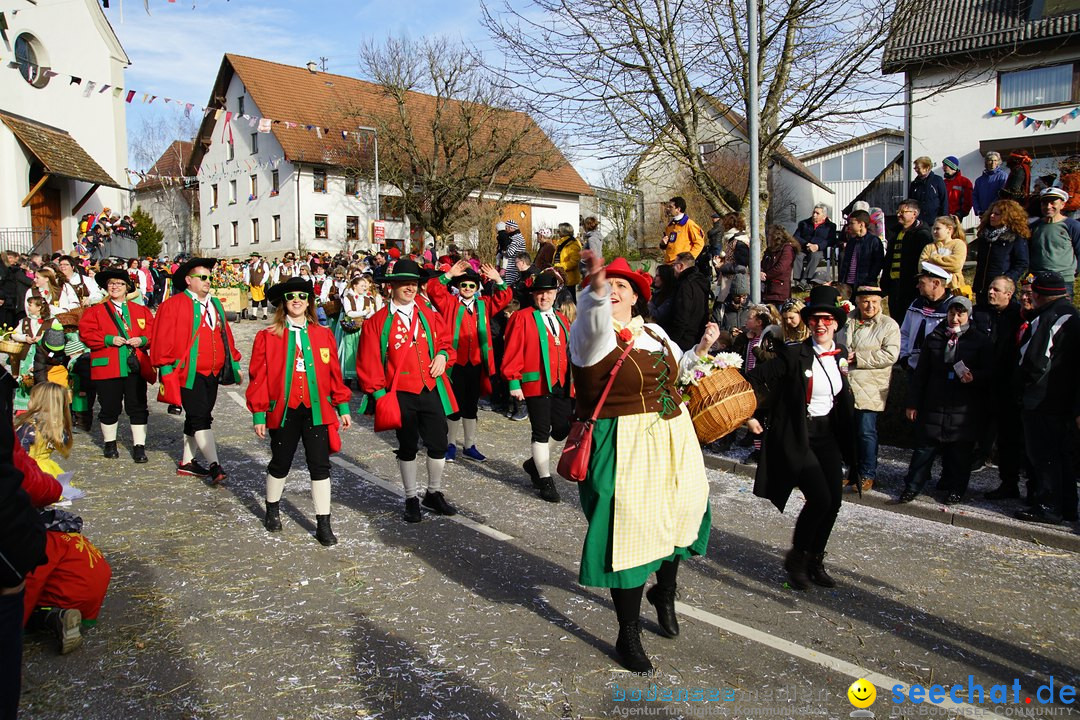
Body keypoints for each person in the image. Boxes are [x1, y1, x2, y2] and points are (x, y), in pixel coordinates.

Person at [570, 250, 716, 673]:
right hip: (624, 441)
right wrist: (595, 290)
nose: (613, 291)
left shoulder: (653, 331)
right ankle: (627, 631)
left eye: (621, 286)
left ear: (637, 297)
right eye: (607, 285)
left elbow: (677, 372)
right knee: (629, 534)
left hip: (673, 432)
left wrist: (702, 350)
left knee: (680, 512)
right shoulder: (590, 335)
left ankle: (665, 591)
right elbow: (593, 319)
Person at [745, 285, 856, 590]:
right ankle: (796, 559)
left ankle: (815, 561)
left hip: (827, 434)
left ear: (836, 323)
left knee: (833, 502)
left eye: (827, 320)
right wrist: (749, 415)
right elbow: (754, 379)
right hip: (797, 434)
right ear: (808, 323)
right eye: (816, 319)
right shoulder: (794, 354)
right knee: (819, 498)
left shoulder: (841, 354)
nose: (821, 324)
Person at [246, 277, 352, 546]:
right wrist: (259, 413)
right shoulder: (267, 336)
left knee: (320, 466)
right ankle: (272, 508)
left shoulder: (322, 334)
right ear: (284, 302)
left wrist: (342, 406)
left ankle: (323, 523)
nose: (297, 300)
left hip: (317, 410)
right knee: (281, 462)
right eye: (291, 296)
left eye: (302, 296)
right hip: (284, 411)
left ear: (309, 301)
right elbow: (258, 377)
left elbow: (334, 374)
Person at [356, 259, 459, 523]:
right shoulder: (377, 322)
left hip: (430, 388)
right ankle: (411, 497)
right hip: (399, 392)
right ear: (392, 286)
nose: (410, 288)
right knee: (408, 446)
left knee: (439, 443)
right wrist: (380, 397)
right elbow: (368, 363)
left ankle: (433, 492)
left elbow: (447, 342)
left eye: (413, 283)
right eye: (404, 283)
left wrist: (444, 356)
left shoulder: (429, 314)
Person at [150, 258, 243, 484]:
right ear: (188, 280)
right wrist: (165, 368)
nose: (207, 281)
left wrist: (234, 361)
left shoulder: (216, 304)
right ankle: (214, 465)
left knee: (197, 415)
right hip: (186, 372)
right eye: (202, 277)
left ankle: (187, 462)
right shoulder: (173, 305)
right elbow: (161, 339)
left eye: (209, 277)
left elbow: (225, 335)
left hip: (212, 370)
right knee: (201, 417)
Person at [898, 296, 991, 504]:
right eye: (952, 313)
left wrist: (974, 376)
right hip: (934, 402)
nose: (955, 318)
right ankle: (912, 487)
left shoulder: (979, 340)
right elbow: (921, 373)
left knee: (959, 453)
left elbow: (990, 372)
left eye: (960, 314)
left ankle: (955, 489)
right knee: (923, 450)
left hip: (963, 406)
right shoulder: (935, 337)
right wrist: (913, 403)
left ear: (968, 315)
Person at [426, 260, 512, 462]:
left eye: (471, 285)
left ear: (477, 288)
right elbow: (433, 289)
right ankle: (450, 444)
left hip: (476, 364)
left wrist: (498, 278)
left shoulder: (484, 305)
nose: (467, 288)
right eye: (463, 285)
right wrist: (449, 274)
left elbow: (505, 296)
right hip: (455, 365)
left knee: (471, 406)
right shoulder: (450, 304)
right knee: (454, 405)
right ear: (458, 287)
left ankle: (470, 445)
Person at [1013, 271, 1080, 524]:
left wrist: (1024, 385)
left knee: (1043, 455)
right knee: (1061, 454)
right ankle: (1068, 506)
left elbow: (1035, 359)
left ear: (1040, 295)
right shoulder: (1072, 315)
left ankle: (1048, 506)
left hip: (1042, 398)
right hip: (1063, 397)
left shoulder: (1049, 317)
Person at [502, 270, 572, 503]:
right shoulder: (521, 317)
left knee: (562, 428)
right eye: (540, 293)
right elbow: (512, 350)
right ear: (534, 295)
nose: (544, 297)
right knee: (541, 431)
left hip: (562, 382)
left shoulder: (562, 319)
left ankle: (534, 463)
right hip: (536, 382)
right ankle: (545, 479)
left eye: (549, 293)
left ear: (555, 294)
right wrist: (514, 381)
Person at [77, 269, 155, 463]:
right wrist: (108, 339)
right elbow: (85, 334)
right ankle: (109, 443)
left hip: (134, 366)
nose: (115, 287)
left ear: (127, 287)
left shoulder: (141, 311)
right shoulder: (95, 311)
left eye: (119, 283)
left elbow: (154, 333)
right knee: (109, 407)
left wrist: (142, 339)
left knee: (137, 406)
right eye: (111, 283)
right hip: (107, 366)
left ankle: (139, 446)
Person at [971, 276, 1024, 496]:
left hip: (1007, 384)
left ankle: (1009, 481)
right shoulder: (980, 312)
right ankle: (976, 458)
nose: (990, 292)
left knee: (1008, 436)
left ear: (1008, 294)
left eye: (996, 289)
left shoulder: (1019, 314)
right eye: (990, 288)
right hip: (981, 379)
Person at [846, 286, 900, 493]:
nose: (870, 306)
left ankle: (868, 473)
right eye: (866, 301)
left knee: (866, 431)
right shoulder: (847, 320)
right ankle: (853, 472)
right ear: (858, 302)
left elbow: (890, 355)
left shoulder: (888, 325)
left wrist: (859, 358)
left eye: (874, 302)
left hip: (870, 385)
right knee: (849, 431)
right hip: (847, 383)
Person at [883, 200, 934, 318]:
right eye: (898, 211)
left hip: (911, 286)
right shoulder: (895, 233)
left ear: (914, 214)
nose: (898, 214)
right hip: (894, 285)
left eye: (903, 211)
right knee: (895, 317)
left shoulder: (922, 234)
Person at [971, 199, 1030, 302]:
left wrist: (1006, 279)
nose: (992, 216)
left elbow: (1022, 263)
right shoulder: (984, 236)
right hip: (982, 288)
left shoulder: (1015, 237)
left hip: (1002, 290)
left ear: (1007, 217)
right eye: (991, 213)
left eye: (996, 214)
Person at [898, 263, 952, 372]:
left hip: (940, 370)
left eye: (921, 283)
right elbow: (904, 332)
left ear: (936, 283)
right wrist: (904, 357)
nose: (917, 286)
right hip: (914, 367)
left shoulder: (953, 307)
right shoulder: (916, 304)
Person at [1027, 187, 1080, 297]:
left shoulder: (1072, 226)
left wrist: (1073, 273)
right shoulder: (1034, 227)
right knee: (1028, 305)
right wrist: (1026, 282)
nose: (1048, 207)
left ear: (1062, 204)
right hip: (1035, 276)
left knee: (1061, 311)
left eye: (1052, 203)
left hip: (1063, 280)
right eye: (1044, 203)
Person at [336, 275, 379, 387]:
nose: (364, 288)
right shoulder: (348, 297)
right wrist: (363, 312)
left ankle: (360, 378)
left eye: (365, 286)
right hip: (352, 328)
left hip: (363, 328)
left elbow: (371, 312)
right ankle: (348, 378)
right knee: (350, 351)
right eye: (362, 286)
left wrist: (367, 313)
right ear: (355, 286)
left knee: (362, 352)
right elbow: (349, 312)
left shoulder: (366, 298)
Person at [664, 252, 710, 352]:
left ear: (680, 266)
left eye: (674, 265)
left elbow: (682, 315)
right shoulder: (701, 282)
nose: (672, 269)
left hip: (683, 340)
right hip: (698, 336)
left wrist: (672, 341)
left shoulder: (685, 285)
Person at [792, 204, 836, 291]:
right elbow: (796, 237)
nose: (814, 215)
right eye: (813, 212)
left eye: (817, 213)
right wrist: (806, 244)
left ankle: (805, 281)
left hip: (819, 250)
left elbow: (831, 240)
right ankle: (801, 281)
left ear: (824, 216)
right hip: (805, 248)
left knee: (814, 256)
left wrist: (817, 246)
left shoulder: (830, 226)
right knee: (797, 256)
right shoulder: (804, 223)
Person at [919, 215, 969, 292]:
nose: (934, 231)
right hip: (933, 289)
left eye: (937, 229)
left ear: (949, 229)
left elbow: (956, 265)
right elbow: (922, 267)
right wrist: (945, 264)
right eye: (933, 229)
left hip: (953, 288)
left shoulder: (958, 244)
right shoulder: (929, 247)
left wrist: (933, 259)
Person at [838, 209, 885, 288]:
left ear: (861, 225)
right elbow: (845, 264)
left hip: (864, 284)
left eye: (852, 223)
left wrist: (869, 279)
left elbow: (878, 263)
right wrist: (841, 281)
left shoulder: (874, 241)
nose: (849, 226)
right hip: (848, 285)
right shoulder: (851, 242)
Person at [660, 196, 705, 263]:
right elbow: (669, 245)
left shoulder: (689, 224)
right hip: (669, 263)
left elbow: (699, 243)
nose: (668, 209)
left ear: (678, 209)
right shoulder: (670, 226)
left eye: (671, 207)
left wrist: (688, 259)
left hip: (681, 265)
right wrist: (663, 244)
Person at [973, 151, 1009, 217]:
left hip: (997, 214)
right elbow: (975, 197)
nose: (993, 163)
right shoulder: (979, 180)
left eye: (995, 160)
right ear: (986, 161)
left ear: (998, 162)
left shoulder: (1003, 176)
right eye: (990, 160)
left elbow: (1002, 195)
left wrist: (991, 210)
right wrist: (978, 211)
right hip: (983, 214)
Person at [552, 222, 583, 299]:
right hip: (560, 277)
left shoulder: (573, 244)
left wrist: (560, 266)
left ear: (564, 232)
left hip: (569, 279)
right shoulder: (560, 243)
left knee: (569, 302)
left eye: (559, 231)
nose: (558, 233)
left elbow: (574, 262)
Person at [942, 156, 973, 221]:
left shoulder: (964, 182)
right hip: (943, 216)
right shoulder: (943, 182)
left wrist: (960, 214)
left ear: (952, 167)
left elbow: (968, 200)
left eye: (945, 165)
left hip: (955, 217)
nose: (943, 168)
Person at [245, 252, 272, 320]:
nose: (252, 258)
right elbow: (248, 275)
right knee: (255, 299)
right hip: (254, 285)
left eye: (254, 257)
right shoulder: (250, 265)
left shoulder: (263, 264)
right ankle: (254, 315)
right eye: (252, 257)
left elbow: (267, 273)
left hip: (261, 285)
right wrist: (247, 282)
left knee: (263, 299)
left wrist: (263, 281)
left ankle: (265, 314)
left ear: (258, 257)